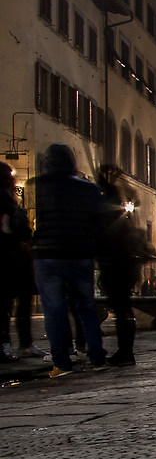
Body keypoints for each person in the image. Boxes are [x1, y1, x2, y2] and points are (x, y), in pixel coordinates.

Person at [29, 144, 107, 375]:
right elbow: (98, 223)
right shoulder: (89, 189)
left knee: (54, 309)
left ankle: (61, 363)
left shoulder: (35, 185)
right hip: (79, 253)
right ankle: (97, 357)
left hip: (47, 254)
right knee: (85, 306)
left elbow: (30, 219)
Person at [96, 165, 144, 366]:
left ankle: (124, 352)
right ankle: (126, 351)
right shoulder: (126, 204)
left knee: (120, 307)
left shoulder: (109, 202)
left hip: (114, 261)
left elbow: (107, 233)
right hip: (125, 262)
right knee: (123, 307)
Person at [1, 162, 44, 362]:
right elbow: (17, 227)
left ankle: (12, 343)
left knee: (8, 303)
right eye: (11, 175)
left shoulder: (8, 198)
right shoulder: (6, 199)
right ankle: (18, 344)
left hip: (10, 258)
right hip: (12, 258)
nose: (13, 179)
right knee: (15, 302)